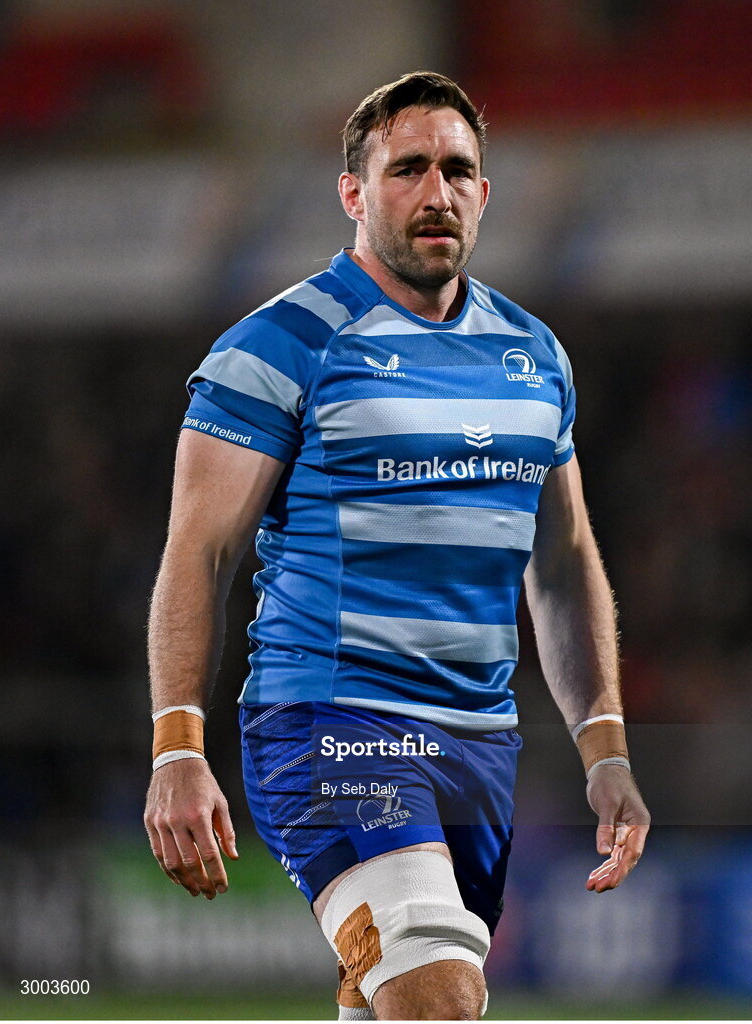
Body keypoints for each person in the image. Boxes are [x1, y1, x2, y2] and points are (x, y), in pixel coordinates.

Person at [144, 71, 650, 1021]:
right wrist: (178, 744)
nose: (436, 192)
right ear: (353, 191)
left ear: (485, 193)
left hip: (478, 744)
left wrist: (605, 749)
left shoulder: (534, 355)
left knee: (388, 1003)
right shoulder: (279, 345)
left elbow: (566, 562)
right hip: (332, 723)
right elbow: (197, 555)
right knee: (439, 999)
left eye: (458, 170)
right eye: (407, 168)